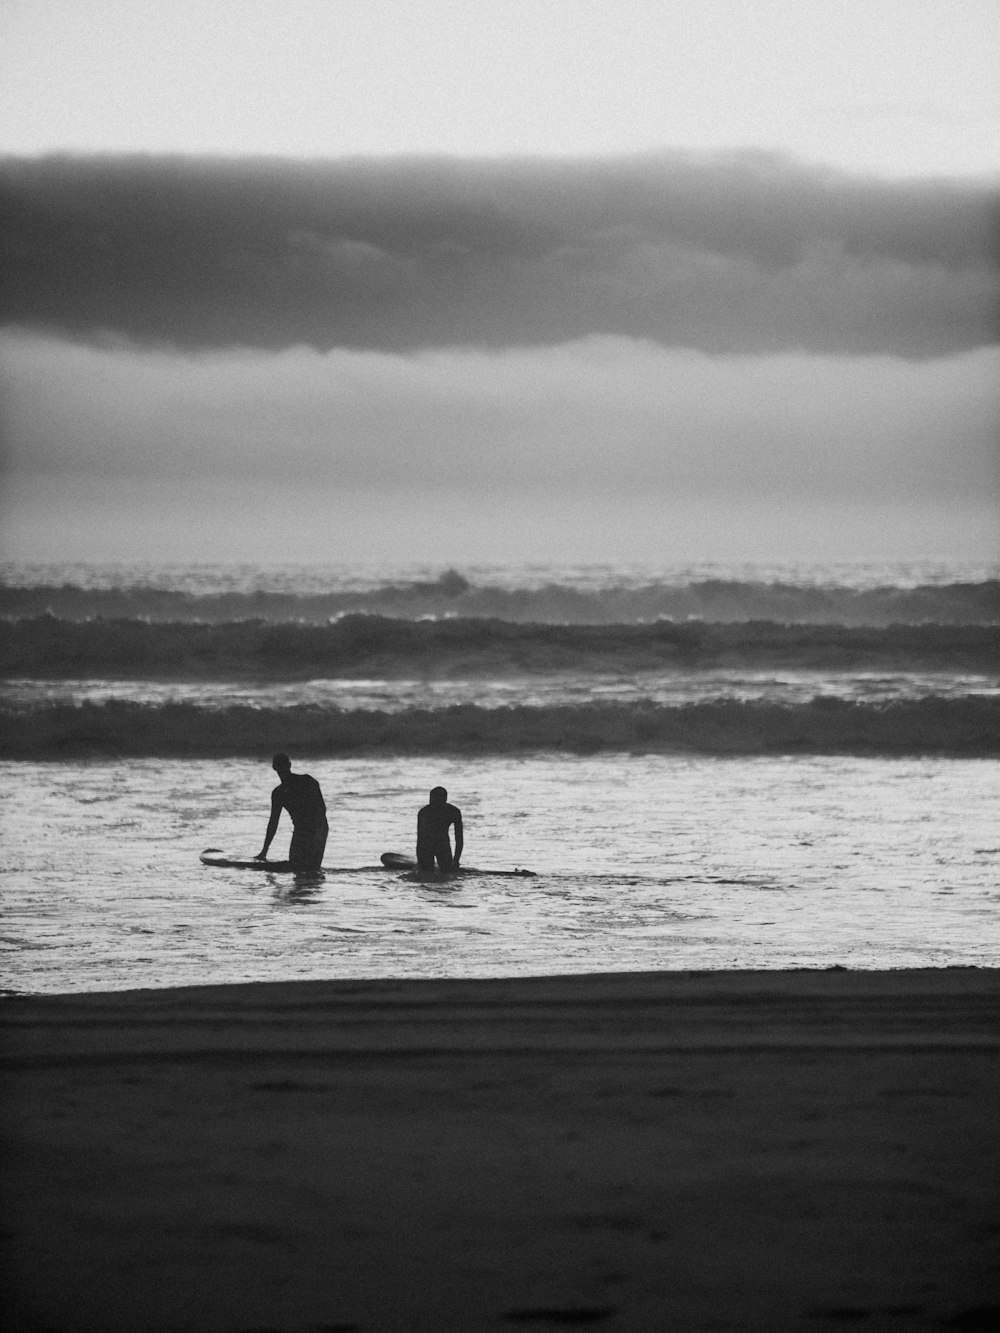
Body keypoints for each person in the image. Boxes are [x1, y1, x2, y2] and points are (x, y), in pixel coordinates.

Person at [255, 753, 328, 871]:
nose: (282, 769)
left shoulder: (307, 781)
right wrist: (264, 851)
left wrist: (318, 834)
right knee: (296, 867)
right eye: (279, 766)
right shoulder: (278, 793)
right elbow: (273, 823)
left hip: (318, 827)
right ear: (274, 768)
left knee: (312, 868)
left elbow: (321, 809)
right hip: (300, 830)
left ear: (289, 765)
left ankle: (313, 887)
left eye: (284, 766)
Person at [416, 786, 463, 874]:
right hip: (427, 846)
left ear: (445, 799)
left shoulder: (453, 812)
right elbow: (420, 838)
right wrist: (420, 860)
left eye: (437, 800)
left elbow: (459, 839)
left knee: (445, 875)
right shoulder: (424, 812)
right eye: (432, 800)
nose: (433, 804)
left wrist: (456, 860)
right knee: (427, 874)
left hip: (442, 845)